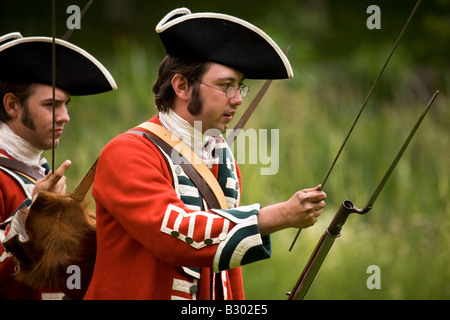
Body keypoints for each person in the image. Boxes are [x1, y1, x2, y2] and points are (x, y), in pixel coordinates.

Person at [84, 8, 326, 300]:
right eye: (226, 86)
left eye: (240, 87)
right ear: (182, 86)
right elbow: (176, 236)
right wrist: (278, 215)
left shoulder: (219, 153)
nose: (237, 99)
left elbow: (221, 269)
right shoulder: (127, 152)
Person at [0, 32, 117, 299]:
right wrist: (30, 212)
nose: (65, 117)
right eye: (51, 105)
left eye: (66, 105)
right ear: (12, 105)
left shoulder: (39, 171)